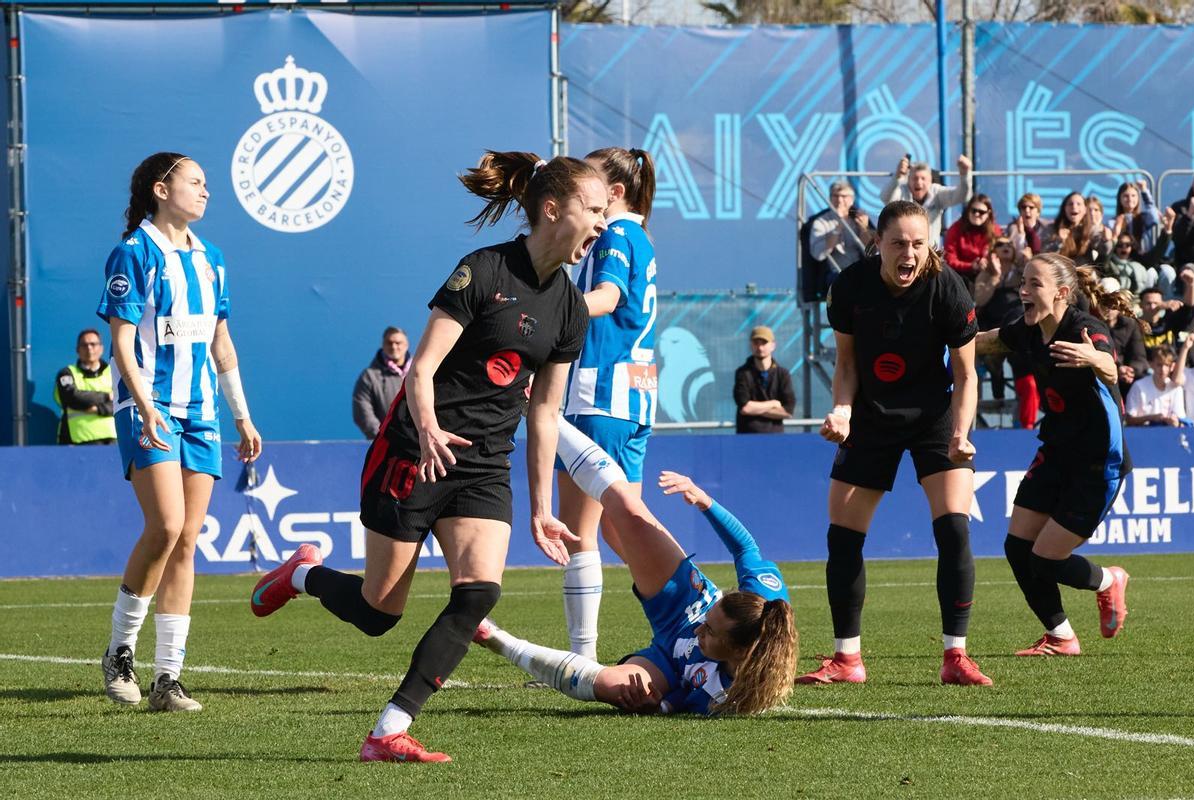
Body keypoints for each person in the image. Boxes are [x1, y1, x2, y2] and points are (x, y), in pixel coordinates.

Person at [250, 151, 601, 764]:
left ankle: (388, 730)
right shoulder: (482, 270)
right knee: (377, 612)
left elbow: (545, 414)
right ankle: (301, 574)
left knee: (478, 594)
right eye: (594, 210)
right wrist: (432, 428)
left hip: (485, 466)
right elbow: (423, 368)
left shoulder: (570, 307)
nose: (601, 224)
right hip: (416, 448)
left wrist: (543, 507)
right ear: (553, 209)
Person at [474, 418, 795, 716]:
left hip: (669, 665)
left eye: (709, 631)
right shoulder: (767, 600)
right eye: (708, 620)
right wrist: (705, 502)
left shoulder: (731, 698)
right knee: (627, 508)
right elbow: (745, 547)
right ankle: (544, 413)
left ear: (740, 652)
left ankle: (496, 639)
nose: (699, 628)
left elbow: (681, 699)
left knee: (614, 687)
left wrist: (656, 705)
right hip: (684, 600)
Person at [798, 200, 991, 687]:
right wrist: (842, 410)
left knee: (954, 530)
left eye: (918, 244)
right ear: (877, 244)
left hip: (934, 416)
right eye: (899, 244)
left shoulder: (948, 287)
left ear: (930, 245)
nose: (909, 254)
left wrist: (962, 433)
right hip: (871, 415)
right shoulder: (849, 287)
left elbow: (966, 374)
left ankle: (956, 656)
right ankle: (847, 660)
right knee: (841, 538)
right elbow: (846, 365)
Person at [97, 152, 262, 712]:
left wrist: (241, 413)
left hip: (201, 412)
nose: (206, 192)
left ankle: (168, 679)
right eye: (196, 182)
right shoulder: (134, 252)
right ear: (161, 189)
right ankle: (120, 653)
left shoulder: (212, 258)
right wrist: (144, 406)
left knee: (189, 539)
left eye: (207, 184)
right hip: (150, 406)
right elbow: (122, 341)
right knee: (165, 526)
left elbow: (222, 344)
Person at [975, 255, 1131, 656]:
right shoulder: (1028, 331)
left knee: (1045, 560)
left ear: (1061, 293)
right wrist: (939, 341)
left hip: (1099, 462)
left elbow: (1109, 366)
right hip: (1057, 452)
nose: (1023, 290)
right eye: (1022, 282)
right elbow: (987, 340)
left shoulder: (1083, 328)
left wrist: (1093, 358)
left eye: (1033, 284)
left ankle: (1110, 581)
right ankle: (1061, 636)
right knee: (1017, 548)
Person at [558, 147, 658, 661]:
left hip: (600, 395)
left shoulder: (615, 233)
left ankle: (582, 658)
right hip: (631, 398)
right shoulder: (638, 235)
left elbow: (609, 298)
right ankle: (699, 616)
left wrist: (546, 309)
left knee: (581, 533)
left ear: (614, 193)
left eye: (590, 183)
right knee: (630, 532)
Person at [974, 238, 1038, 428]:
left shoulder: (1022, 273)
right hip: (991, 330)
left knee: (1027, 376)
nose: (1006, 247)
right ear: (994, 251)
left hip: (1020, 327)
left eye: (1010, 244)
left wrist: (1028, 262)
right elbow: (980, 300)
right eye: (1000, 245)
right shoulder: (985, 274)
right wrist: (994, 277)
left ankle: (1025, 425)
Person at [879, 155, 972, 240]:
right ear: (908, 180)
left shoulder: (936, 192)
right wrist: (897, 177)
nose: (919, 182)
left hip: (931, 252)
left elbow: (962, 196)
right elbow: (885, 198)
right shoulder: (902, 190)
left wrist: (965, 175)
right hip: (905, 252)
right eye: (915, 178)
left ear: (930, 180)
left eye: (923, 178)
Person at [54, 328, 117, 445]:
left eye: (93, 344)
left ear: (101, 349)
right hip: (76, 441)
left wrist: (98, 409)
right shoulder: (67, 373)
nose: (89, 348)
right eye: (84, 345)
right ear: (77, 350)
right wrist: (107, 396)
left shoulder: (114, 372)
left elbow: (123, 401)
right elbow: (72, 398)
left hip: (111, 441)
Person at [733, 325, 795, 433]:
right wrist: (773, 403)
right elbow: (745, 407)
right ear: (751, 345)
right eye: (756, 343)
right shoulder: (742, 373)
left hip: (775, 440)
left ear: (773, 345)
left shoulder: (783, 374)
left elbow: (788, 411)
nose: (760, 347)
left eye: (764, 343)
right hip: (746, 438)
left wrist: (754, 410)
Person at [352, 327, 411, 439]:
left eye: (398, 343)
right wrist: (384, 437)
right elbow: (363, 412)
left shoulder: (422, 372)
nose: (394, 347)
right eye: (389, 343)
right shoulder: (369, 377)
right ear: (383, 345)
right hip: (386, 446)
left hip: (422, 443)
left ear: (406, 345)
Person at [808, 182, 873, 273]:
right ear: (830, 199)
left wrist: (864, 229)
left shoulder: (860, 217)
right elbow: (818, 254)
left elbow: (873, 252)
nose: (839, 200)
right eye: (835, 196)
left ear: (852, 200)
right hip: (835, 272)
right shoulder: (820, 222)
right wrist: (838, 227)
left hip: (860, 269)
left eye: (844, 196)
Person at [1099, 290, 1149, 399]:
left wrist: (1131, 370)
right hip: (1102, 375)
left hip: (1127, 377)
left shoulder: (1130, 325)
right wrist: (1117, 369)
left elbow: (1139, 355)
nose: (1109, 309)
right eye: (1105, 304)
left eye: (1113, 305)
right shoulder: (1093, 325)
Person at [943, 193, 1002, 281]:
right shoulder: (955, 229)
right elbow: (950, 259)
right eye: (973, 210)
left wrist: (986, 262)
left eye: (981, 212)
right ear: (968, 211)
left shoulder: (995, 230)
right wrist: (971, 266)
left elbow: (1001, 256)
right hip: (960, 276)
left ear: (988, 213)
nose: (977, 214)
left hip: (988, 275)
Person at [1124, 345, 1187, 427]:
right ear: (1151, 364)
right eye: (1159, 365)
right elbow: (1129, 420)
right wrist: (1151, 418)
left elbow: (1181, 421)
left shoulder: (1176, 389)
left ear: (1172, 367)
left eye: (1166, 365)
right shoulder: (1138, 386)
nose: (1163, 369)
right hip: (1143, 435)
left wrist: (1176, 423)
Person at [1045, 192, 1110, 266]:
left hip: (1084, 274)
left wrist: (1106, 240)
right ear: (1064, 208)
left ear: (1085, 209)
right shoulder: (1053, 228)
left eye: (1078, 204)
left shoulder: (1091, 229)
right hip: (1061, 273)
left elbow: (1104, 252)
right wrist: (1059, 241)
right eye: (1070, 204)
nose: (1074, 207)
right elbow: (1047, 256)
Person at [1109, 180, 1159, 256]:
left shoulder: (1143, 218)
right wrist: (1117, 228)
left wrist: (1144, 191)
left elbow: (1154, 216)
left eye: (1133, 195)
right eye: (1126, 196)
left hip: (1142, 260)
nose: (1130, 199)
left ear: (1138, 198)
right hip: (1121, 260)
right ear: (1119, 198)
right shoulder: (1113, 222)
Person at [1006, 192, 1054, 258]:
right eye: (1023, 207)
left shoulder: (1048, 228)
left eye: (1031, 207)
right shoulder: (1013, 229)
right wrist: (1020, 234)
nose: (1027, 210)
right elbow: (1014, 257)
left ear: (1038, 212)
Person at [1169, 172, 1194, 268]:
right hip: (1188, 263)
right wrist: (1190, 214)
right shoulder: (1179, 207)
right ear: (1193, 185)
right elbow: (1177, 239)